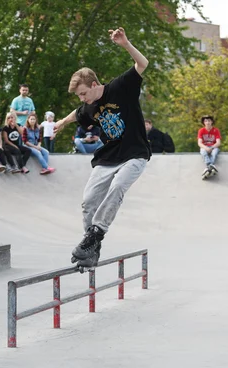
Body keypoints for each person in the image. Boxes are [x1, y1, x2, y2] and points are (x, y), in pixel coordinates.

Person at [54, 27, 151, 268]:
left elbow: (143, 64)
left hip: (135, 154)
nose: (83, 99)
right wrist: (62, 123)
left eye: (84, 93)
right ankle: (91, 248)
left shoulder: (120, 86)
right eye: (79, 96)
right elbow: (77, 114)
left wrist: (126, 43)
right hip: (108, 157)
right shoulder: (87, 107)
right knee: (88, 201)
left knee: (118, 187)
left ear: (95, 84)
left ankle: (96, 233)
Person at [197, 115, 221, 179]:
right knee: (203, 152)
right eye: (206, 121)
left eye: (209, 121)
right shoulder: (201, 131)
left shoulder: (216, 130)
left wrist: (212, 147)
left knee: (214, 153)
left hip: (213, 146)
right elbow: (199, 143)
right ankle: (210, 166)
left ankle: (209, 167)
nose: (207, 123)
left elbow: (218, 142)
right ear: (204, 123)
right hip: (205, 146)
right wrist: (205, 148)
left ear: (212, 122)